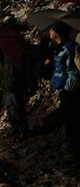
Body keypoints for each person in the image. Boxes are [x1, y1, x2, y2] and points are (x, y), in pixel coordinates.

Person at [47, 22, 80, 161]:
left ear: (58, 33)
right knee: (69, 124)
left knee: (73, 124)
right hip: (64, 90)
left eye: (51, 29)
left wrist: (67, 89)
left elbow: (73, 72)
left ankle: (76, 155)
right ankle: (73, 153)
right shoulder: (59, 48)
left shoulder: (69, 48)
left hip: (71, 92)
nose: (49, 31)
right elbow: (60, 69)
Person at [0, 41, 28, 138]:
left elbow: (19, 69)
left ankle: (22, 131)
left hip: (15, 85)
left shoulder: (18, 50)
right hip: (8, 85)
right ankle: (15, 129)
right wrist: (1, 57)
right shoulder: (7, 53)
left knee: (18, 108)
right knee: (10, 109)